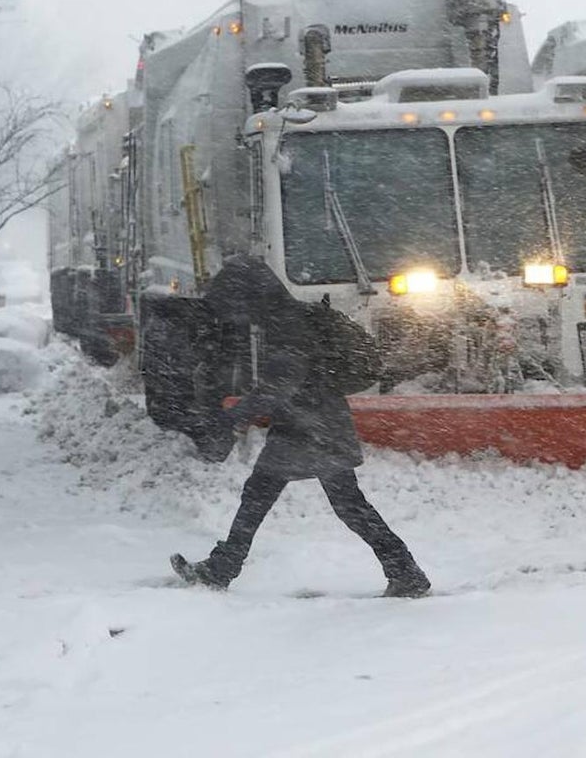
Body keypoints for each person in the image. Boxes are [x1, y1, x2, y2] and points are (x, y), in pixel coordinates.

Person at [171, 256, 430, 598]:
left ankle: (222, 569)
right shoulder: (285, 317)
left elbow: (280, 384)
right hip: (314, 424)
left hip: (310, 428)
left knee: (275, 499)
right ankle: (405, 571)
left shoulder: (285, 325)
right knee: (337, 505)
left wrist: (234, 418)